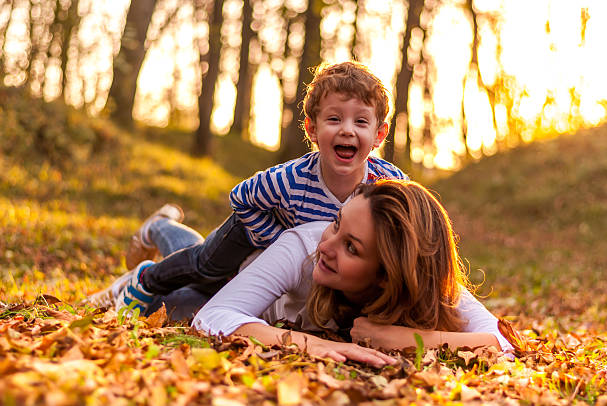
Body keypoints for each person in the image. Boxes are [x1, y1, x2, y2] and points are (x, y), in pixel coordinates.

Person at [86, 61, 408, 314]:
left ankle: (159, 227)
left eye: (361, 122)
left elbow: (413, 221)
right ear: (312, 128)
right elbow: (241, 197)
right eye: (334, 119)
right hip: (247, 236)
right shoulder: (292, 178)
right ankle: (144, 279)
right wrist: (275, 240)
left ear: (379, 135)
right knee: (204, 269)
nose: (347, 131)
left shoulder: (387, 185)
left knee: (205, 277)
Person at [192, 180, 513, 368]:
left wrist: (405, 339)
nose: (327, 246)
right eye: (336, 222)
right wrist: (308, 344)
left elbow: (503, 341)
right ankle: (159, 230)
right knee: (183, 290)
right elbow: (215, 314)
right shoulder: (302, 246)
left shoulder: (433, 285)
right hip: (233, 282)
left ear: (388, 275)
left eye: (352, 248)